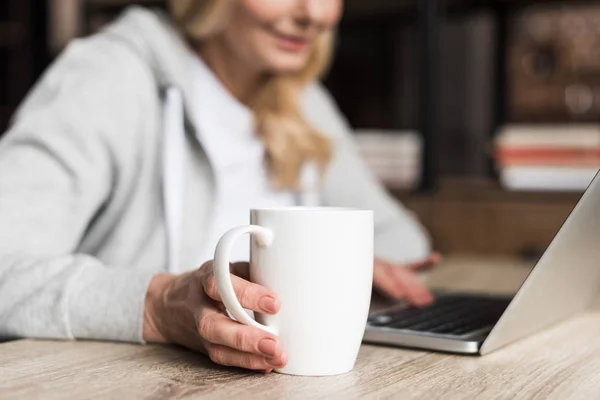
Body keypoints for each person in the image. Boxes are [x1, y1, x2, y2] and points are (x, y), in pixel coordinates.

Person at [0, 0, 439, 373]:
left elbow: (403, 237)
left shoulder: (300, 99)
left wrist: (354, 262)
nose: (315, 15)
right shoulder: (108, 77)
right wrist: (155, 305)